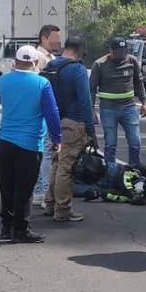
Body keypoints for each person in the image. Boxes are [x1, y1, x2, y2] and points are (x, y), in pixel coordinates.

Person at [0, 45, 62, 243]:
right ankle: (21, 229)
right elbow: (52, 113)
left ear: (15, 62)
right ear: (35, 63)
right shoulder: (42, 83)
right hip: (30, 142)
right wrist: (57, 138)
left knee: (7, 184)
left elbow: (3, 101)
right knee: (25, 187)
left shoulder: (3, 80)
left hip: (5, 139)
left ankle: (6, 227)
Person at [44, 37, 94, 222]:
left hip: (55, 122)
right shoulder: (78, 69)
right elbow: (85, 101)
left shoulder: (51, 66)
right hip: (74, 123)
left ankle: (50, 203)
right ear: (80, 49)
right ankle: (63, 209)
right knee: (67, 167)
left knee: (57, 164)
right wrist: (90, 129)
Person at [90, 36, 146, 170]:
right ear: (111, 50)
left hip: (129, 107)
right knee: (110, 143)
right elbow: (91, 89)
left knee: (135, 141)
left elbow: (139, 83)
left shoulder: (132, 61)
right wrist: (92, 111)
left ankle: (134, 168)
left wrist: (144, 102)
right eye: (118, 52)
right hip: (108, 109)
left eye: (124, 51)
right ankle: (110, 171)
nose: (121, 55)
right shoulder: (99, 64)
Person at [31, 25, 62, 209]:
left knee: (44, 153)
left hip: (46, 112)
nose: (58, 42)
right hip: (42, 114)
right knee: (46, 154)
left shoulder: (51, 58)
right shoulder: (39, 58)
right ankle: (42, 193)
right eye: (54, 38)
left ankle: (39, 192)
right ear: (43, 38)